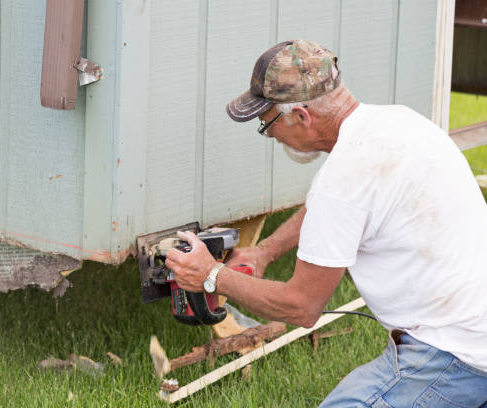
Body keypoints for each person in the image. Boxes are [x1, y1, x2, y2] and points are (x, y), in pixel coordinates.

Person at [164, 40, 487, 407]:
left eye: (267, 124)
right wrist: (266, 251)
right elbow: (342, 210)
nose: (269, 135)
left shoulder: (342, 181)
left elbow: (302, 307)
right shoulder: (399, 122)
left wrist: (211, 276)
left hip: (454, 355)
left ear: (302, 116)